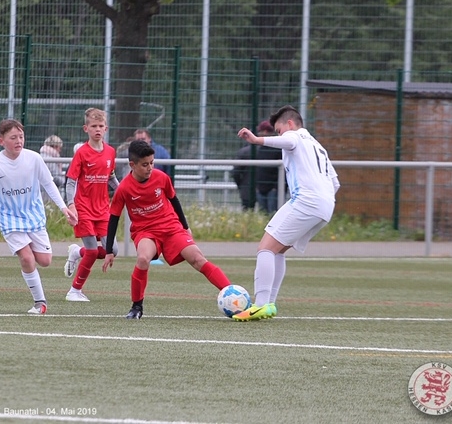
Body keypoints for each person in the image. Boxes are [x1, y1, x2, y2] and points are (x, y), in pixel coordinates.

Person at [102, 140, 233, 319]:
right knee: (143, 259)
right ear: (132, 165)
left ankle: (232, 294)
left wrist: (185, 227)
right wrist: (109, 251)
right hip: (145, 231)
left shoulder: (161, 178)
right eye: (145, 164)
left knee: (197, 258)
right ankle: (136, 307)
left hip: (171, 227)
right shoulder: (124, 188)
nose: (150, 168)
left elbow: (174, 200)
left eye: (152, 163)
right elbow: (114, 218)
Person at [233, 105, 339, 321]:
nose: (280, 135)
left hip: (306, 201)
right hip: (326, 205)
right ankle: (269, 304)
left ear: (290, 124)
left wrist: (257, 140)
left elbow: (290, 141)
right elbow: (335, 183)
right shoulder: (318, 146)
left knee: (265, 248)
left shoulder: (295, 136)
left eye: (279, 131)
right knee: (278, 250)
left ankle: (260, 304)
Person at [0, 119, 77, 314]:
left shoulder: (34, 158)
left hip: (33, 215)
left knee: (45, 261)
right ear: (1, 141)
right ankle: (40, 303)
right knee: (27, 258)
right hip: (8, 217)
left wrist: (64, 208)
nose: (18, 141)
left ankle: (47, 255)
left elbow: (48, 184)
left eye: (21, 137)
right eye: (13, 137)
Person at [63, 108, 120, 302]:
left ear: (106, 129)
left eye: (101, 126)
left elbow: (111, 177)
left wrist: (124, 192)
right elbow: (71, 182)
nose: (97, 129)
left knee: (113, 250)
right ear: (86, 128)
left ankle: (76, 252)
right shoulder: (82, 153)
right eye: (94, 126)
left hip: (103, 210)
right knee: (93, 251)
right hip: (84, 208)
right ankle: (74, 291)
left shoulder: (110, 152)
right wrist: (71, 205)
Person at [255, 121, 281, 214]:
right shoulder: (260, 149)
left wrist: (276, 188)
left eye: (260, 131)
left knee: (272, 214)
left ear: (265, 132)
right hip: (261, 188)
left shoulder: (278, 149)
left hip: (273, 189)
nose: (258, 134)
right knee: (264, 215)